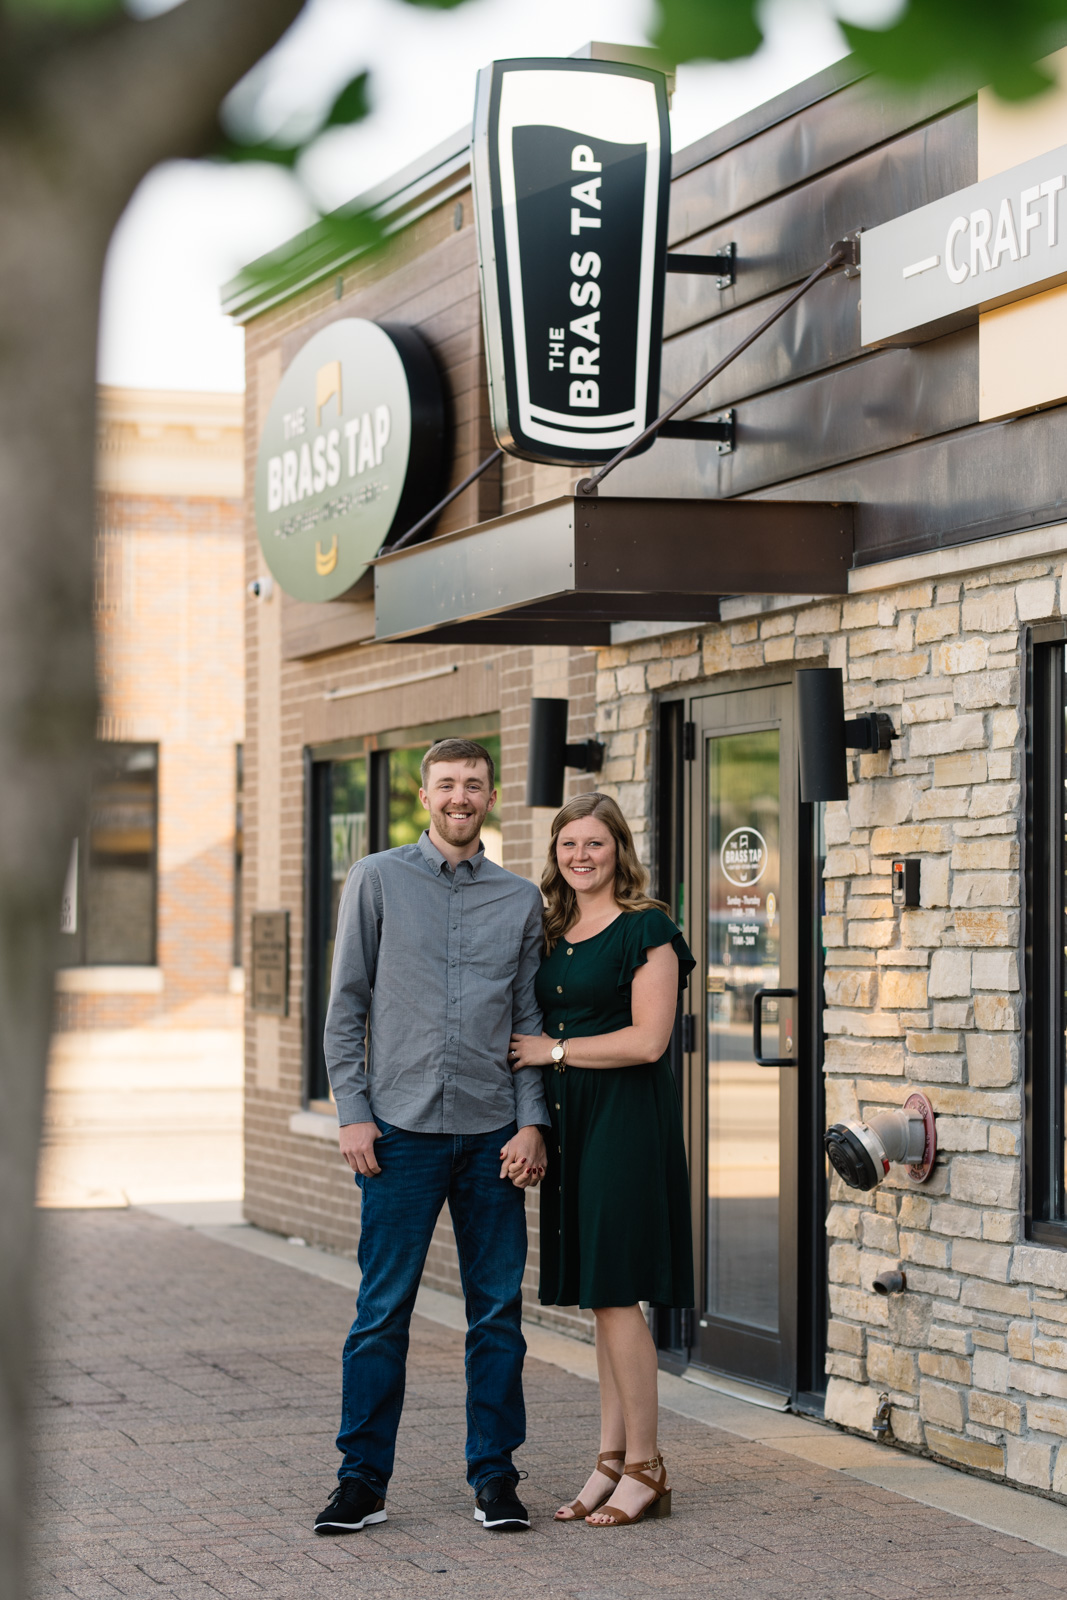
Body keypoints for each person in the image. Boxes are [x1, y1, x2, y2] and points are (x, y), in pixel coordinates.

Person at [315, 738, 550, 1538]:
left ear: (490, 797)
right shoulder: (377, 879)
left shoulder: (519, 900)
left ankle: (494, 1477)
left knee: (497, 1316)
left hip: (492, 1137)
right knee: (381, 1313)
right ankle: (361, 1482)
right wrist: (352, 1110)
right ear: (425, 796)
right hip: (399, 1132)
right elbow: (345, 1003)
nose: (460, 797)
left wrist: (531, 1121)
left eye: (473, 785)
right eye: (446, 785)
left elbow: (526, 1021)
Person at [508, 792, 695, 1529]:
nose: (580, 856)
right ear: (554, 855)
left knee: (618, 1291)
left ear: (618, 849)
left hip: (625, 1123)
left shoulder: (647, 927)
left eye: (594, 843)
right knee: (600, 1297)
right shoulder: (553, 928)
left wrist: (551, 1051)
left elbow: (648, 1040)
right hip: (571, 1122)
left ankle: (646, 1465)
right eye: (567, 845)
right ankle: (610, 1460)